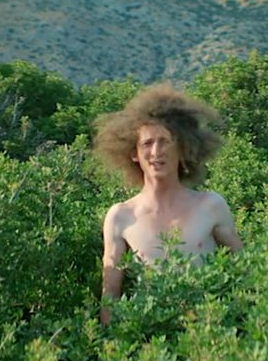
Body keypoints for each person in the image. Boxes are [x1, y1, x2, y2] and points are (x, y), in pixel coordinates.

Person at [93, 83, 243, 325]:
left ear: (183, 148)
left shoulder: (211, 206)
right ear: (133, 153)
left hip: (207, 338)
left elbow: (247, 269)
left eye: (165, 141)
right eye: (147, 143)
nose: (156, 152)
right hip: (151, 341)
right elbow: (110, 294)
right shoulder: (121, 216)